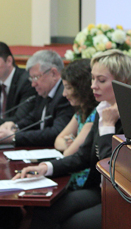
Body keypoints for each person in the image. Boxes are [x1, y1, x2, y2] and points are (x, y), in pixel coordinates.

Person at [15, 49, 131, 229]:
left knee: (74, 224)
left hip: (123, 197)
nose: (93, 85)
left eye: (101, 80)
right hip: (99, 189)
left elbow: (113, 170)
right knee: (45, 211)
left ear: (123, 82)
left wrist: (108, 127)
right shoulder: (102, 109)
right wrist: (45, 167)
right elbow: (83, 156)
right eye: (92, 79)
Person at [0, 50, 73, 147]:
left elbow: (56, 132)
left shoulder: (65, 96)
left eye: (35, 77)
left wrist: (14, 137)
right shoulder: (44, 92)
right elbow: (33, 118)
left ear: (53, 73)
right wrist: (15, 126)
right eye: (31, 79)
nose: (33, 84)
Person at [54, 58, 97, 189]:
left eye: (68, 88)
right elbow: (57, 141)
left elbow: (68, 154)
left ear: (82, 87)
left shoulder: (94, 115)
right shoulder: (80, 112)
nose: (64, 94)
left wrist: (70, 145)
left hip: (84, 182)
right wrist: (71, 143)